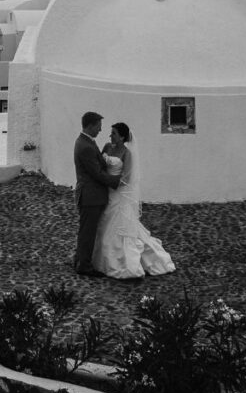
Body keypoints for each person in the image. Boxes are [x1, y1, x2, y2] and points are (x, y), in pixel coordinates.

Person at [92, 122, 175, 280]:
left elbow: (127, 178)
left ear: (122, 136)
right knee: (103, 224)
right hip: (105, 192)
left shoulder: (126, 153)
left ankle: (124, 263)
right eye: (111, 133)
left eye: (114, 133)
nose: (110, 136)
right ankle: (99, 260)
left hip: (117, 193)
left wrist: (109, 182)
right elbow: (100, 166)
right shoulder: (107, 147)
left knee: (118, 226)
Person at [73, 111, 120, 276]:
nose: (100, 130)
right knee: (88, 231)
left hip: (90, 195)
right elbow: (96, 173)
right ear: (90, 125)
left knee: (86, 230)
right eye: (98, 127)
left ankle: (79, 259)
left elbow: (97, 163)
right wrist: (116, 181)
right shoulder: (85, 146)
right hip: (90, 195)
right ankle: (84, 265)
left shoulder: (86, 142)